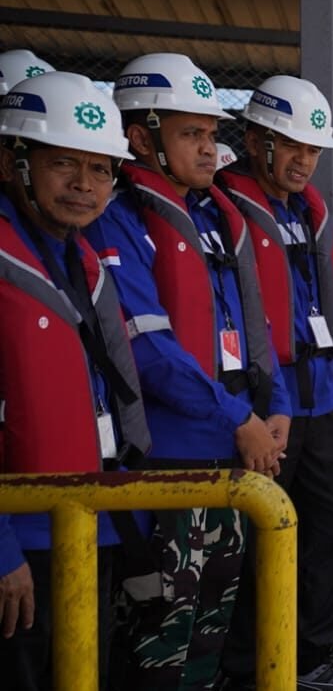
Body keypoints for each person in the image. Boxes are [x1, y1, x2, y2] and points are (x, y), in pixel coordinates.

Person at [85, 52, 289, 690]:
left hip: (234, 449)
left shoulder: (208, 219)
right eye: (191, 134)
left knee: (209, 634)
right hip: (172, 465)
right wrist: (240, 419)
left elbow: (249, 328)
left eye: (212, 134)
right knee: (160, 643)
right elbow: (145, 351)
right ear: (141, 138)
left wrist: (274, 402)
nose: (209, 149)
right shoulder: (117, 220)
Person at [215, 76, 333, 691]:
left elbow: (328, 314)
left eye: (311, 151)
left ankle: (309, 660)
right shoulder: (222, 205)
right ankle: (249, 672)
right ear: (254, 139)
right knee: (253, 548)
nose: (302, 161)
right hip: (264, 408)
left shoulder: (307, 211)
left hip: (321, 402)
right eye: (290, 146)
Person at [0, 72, 153, 690]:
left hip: (91, 520)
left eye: (99, 169)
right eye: (63, 163)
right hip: (23, 536)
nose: (84, 186)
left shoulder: (77, 259)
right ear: (14, 161)